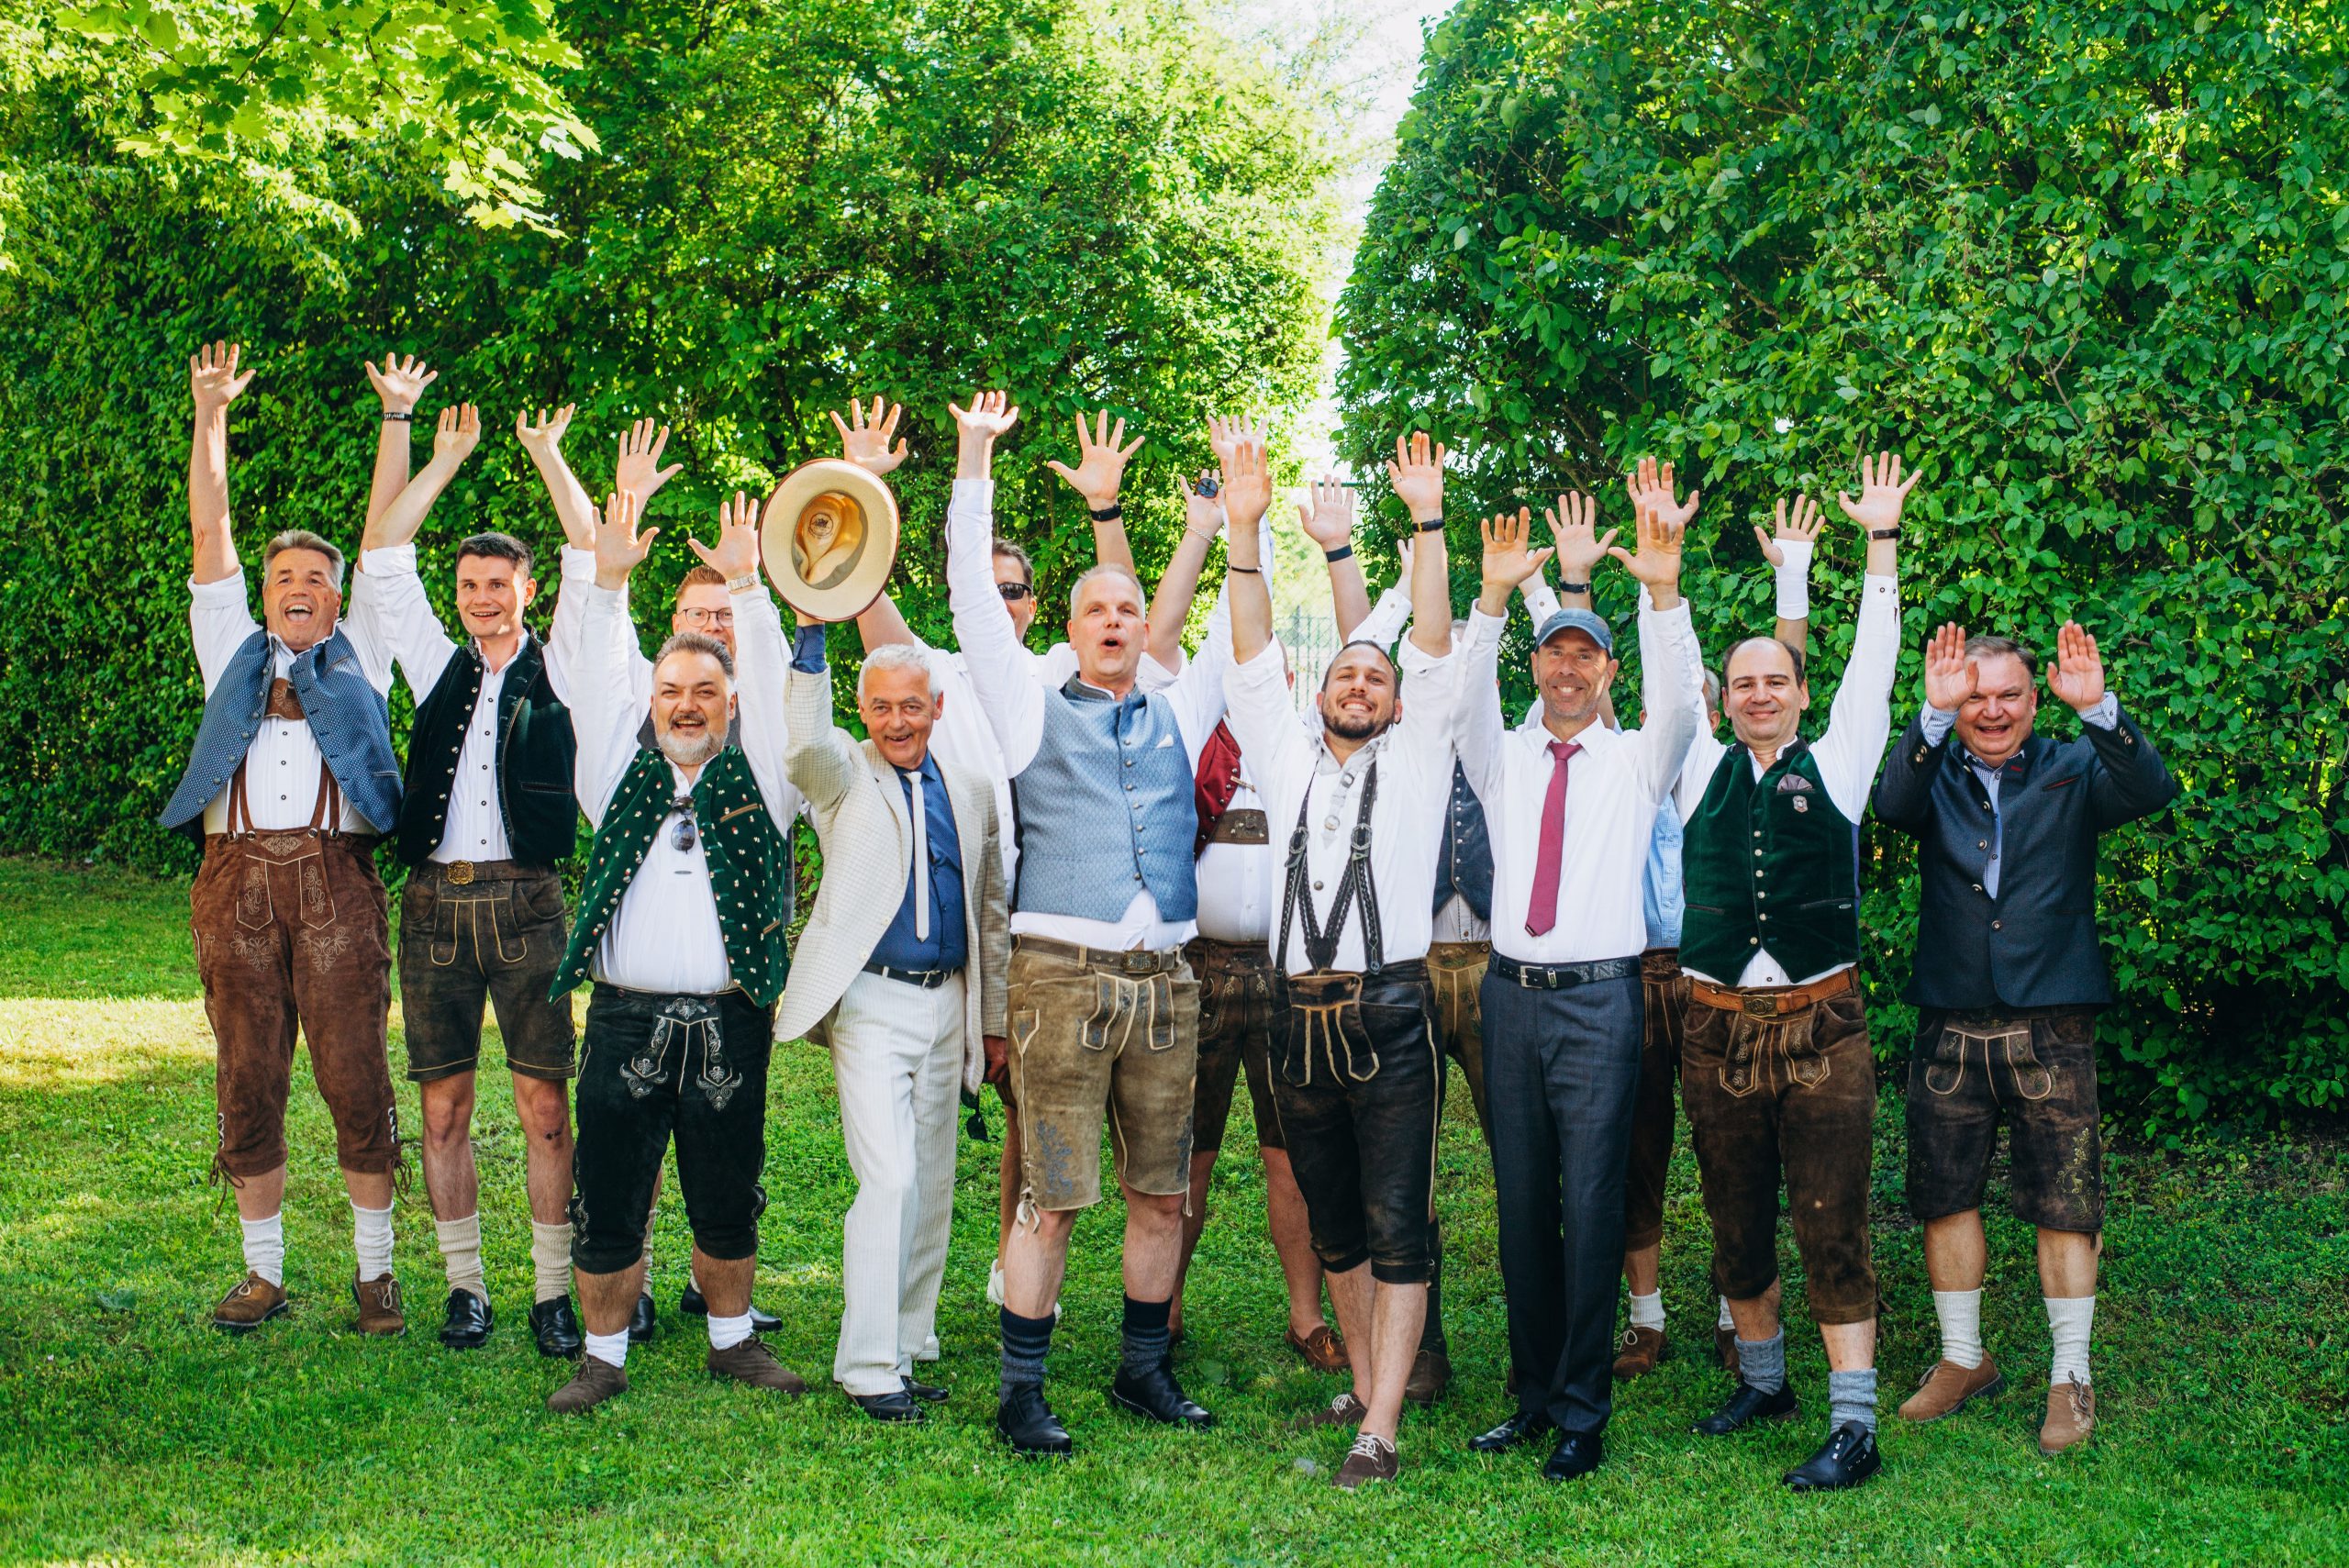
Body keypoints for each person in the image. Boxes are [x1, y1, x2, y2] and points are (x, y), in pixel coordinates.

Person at [836, 399, 1176, 1330]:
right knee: (984, 1098)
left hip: (1069, 910)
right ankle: (947, 1289)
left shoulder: (1064, 674)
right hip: (986, 917)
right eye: (992, 590)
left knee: (1037, 1113)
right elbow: (874, 616)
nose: (1006, 601)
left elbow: (1138, 616)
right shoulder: (949, 668)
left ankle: (1010, 1269)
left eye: (1017, 588)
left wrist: (1113, 519)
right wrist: (864, 487)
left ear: (1040, 605)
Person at [944, 390, 1229, 1457]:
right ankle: (1023, 1388)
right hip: (1060, 971)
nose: (1116, 622)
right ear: (1068, 630)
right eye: (1095, 611)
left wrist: (1218, 524)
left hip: (1167, 977)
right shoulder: (1024, 702)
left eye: (1129, 611)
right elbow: (973, 592)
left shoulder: (1178, 704)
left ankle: (1141, 1368)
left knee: (1162, 1189)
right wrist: (975, 457)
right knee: (1049, 1191)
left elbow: (1233, 636)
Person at [1663, 455, 1914, 1493]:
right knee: (1731, 1212)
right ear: (1721, 701)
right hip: (1714, 1024)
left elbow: (1876, 661)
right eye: (1741, 683)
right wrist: (1663, 582)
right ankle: (1763, 1379)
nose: (1758, 692)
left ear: (1799, 694)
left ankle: (1852, 1421)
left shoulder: (1840, 758)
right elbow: (1667, 658)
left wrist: (1880, 547)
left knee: (1831, 1214)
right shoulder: (1687, 767)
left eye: (1776, 678)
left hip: (1824, 1026)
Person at [1220, 430, 1461, 1488]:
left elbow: (1437, 638)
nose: (1359, 681)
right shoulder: (1280, 751)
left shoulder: (1418, 755)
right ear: (1318, 692)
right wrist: (1242, 524)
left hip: (1390, 1010)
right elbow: (1247, 644)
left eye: (1377, 673)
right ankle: (1365, 1383)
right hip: (1292, 1015)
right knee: (1333, 1223)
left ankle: (1385, 1424)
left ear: (1398, 701)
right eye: (1344, 670)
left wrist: (1425, 523)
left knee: (1395, 1219)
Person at [1874, 620, 2177, 1456]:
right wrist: (1929, 720)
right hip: (1950, 1016)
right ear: (1955, 700)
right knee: (1944, 1193)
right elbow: (1887, 806)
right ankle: (1962, 1359)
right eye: (1976, 696)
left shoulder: (2076, 764)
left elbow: (2152, 789)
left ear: (2036, 699)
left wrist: (2102, 709)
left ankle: (2069, 1375)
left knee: (2065, 1201)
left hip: (2054, 1017)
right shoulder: (1929, 769)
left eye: (2010, 694)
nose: (1993, 710)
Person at [516, 407, 783, 1340]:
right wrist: (608, 567)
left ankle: (731, 1338)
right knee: (614, 1186)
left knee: (726, 1188)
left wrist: (751, 586)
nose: (685, 702)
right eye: (670, 687)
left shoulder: (765, 765)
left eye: (705, 688)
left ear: (733, 694)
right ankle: (601, 1348)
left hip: (732, 1010)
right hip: (627, 1012)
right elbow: (596, 662)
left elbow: (782, 692)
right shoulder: (614, 765)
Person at [1455, 492, 1701, 1484]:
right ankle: (1530, 1394)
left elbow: (1682, 698)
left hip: (1601, 1002)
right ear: (1538, 665)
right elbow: (1458, 697)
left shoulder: (1639, 761)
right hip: (1510, 996)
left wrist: (1662, 592)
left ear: (1606, 673)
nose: (1566, 666)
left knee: (1593, 1201)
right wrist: (1488, 599)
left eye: (1584, 655)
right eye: (1553, 651)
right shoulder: (1504, 757)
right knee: (1521, 1203)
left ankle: (1583, 1410)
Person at [162, 341, 406, 1337]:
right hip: (234, 886)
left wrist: (396, 421)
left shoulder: (367, 652)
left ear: (338, 596)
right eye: (283, 576)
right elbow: (209, 525)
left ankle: (375, 1274)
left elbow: (384, 537)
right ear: (263, 592)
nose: (297, 586)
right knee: (246, 1074)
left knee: (354, 1073)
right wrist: (208, 414)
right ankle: (261, 1273)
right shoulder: (229, 648)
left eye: (316, 576)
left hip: (336, 884)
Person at [346, 384, 589, 1359]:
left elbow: (592, 556)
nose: (482, 598)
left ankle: (552, 1291)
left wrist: (543, 454)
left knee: (543, 1104)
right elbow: (381, 558)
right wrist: (436, 457)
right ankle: (464, 1285)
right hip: (435, 907)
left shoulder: (565, 663)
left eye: (499, 584)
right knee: (442, 1104)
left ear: (526, 590)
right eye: (471, 584)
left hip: (528, 903)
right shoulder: (436, 660)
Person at [1340, 522, 1566, 1404]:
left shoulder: (1514, 746)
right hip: (1412, 966)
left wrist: (1527, 594)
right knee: (1405, 1167)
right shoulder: (1394, 742)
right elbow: (1377, 652)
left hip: (1498, 965)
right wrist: (1401, 582)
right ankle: (1421, 1349)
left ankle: (1532, 1352)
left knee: (1521, 1157)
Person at [774, 619, 1008, 1425]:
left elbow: (991, 910)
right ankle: (867, 1365)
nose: (897, 722)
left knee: (933, 1182)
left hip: (950, 1000)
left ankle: (908, 1344)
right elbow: (803, 746)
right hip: (871, 1001)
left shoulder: (972, 787)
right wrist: (809, 642)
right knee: (890, 1178)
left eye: (911, 706)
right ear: (864, 711)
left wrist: (994, 1019)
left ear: (937, 706)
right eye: (881, 708)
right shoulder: (844, 775)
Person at [1616, 498, 1819, 1381]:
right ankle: (1647, 1314)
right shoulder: (1628, 762)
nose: (1703, 700)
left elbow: (1787, 676)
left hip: (1715, 983)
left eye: (1712, 689)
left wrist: (1792, 578)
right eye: (1690, 692)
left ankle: (1743, 1315)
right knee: (1638, 1147)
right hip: (1631, 976)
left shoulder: (1742, 765)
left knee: (1734, 1157)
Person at [1180, 480, 1341, 1375]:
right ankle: (1160, 1306)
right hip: (1198, 970)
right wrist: (1242, 530)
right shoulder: (1192, 737)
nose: (1263, 678)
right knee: (1188, 1153)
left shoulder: (1303, 755)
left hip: (1282, 975)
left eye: (1276, 668)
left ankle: (1303, 1313)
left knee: (1290, 1157)